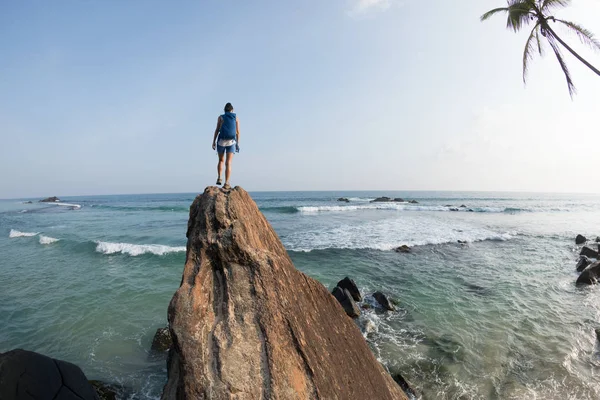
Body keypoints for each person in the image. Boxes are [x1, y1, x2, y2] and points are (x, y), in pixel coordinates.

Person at [212, 103, 240, 189]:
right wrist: (237, 143)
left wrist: (213, 142)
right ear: (232, 110)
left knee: (221, 160)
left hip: (221, 141)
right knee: (228, 163)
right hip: (231, 142)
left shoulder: (220, 117)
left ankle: (219, 177)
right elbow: (237, 132)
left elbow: (217, 130)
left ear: (225, 110)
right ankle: (227, 183)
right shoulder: (235, 117)